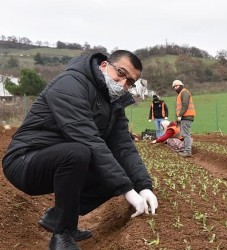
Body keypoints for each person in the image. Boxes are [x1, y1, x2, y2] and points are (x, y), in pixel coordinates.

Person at [2, 50, 158, 250]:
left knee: (115, 168)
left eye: (129, 82)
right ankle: (62, 234)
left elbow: (124, 147)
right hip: (25, 161)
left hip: (62, 159)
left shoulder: (113, 104)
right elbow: (88, 139)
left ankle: (60, 215)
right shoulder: (70, 84)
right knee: (80, 152)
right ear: (104, 65)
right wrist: (128, 191)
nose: (122, 84)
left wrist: (144, 186)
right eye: (120, 73)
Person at [172, 80, 196, 157]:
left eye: (176, 86)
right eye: (174, 87)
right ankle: (186, 149)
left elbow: (185, 105)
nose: (175, 88)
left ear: (181, 85)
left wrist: (180, 115)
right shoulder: (181, 94)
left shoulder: (184, 92)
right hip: (184, 117)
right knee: (184, 134)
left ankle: (187, 151)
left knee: (186, 134)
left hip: (186, 116)